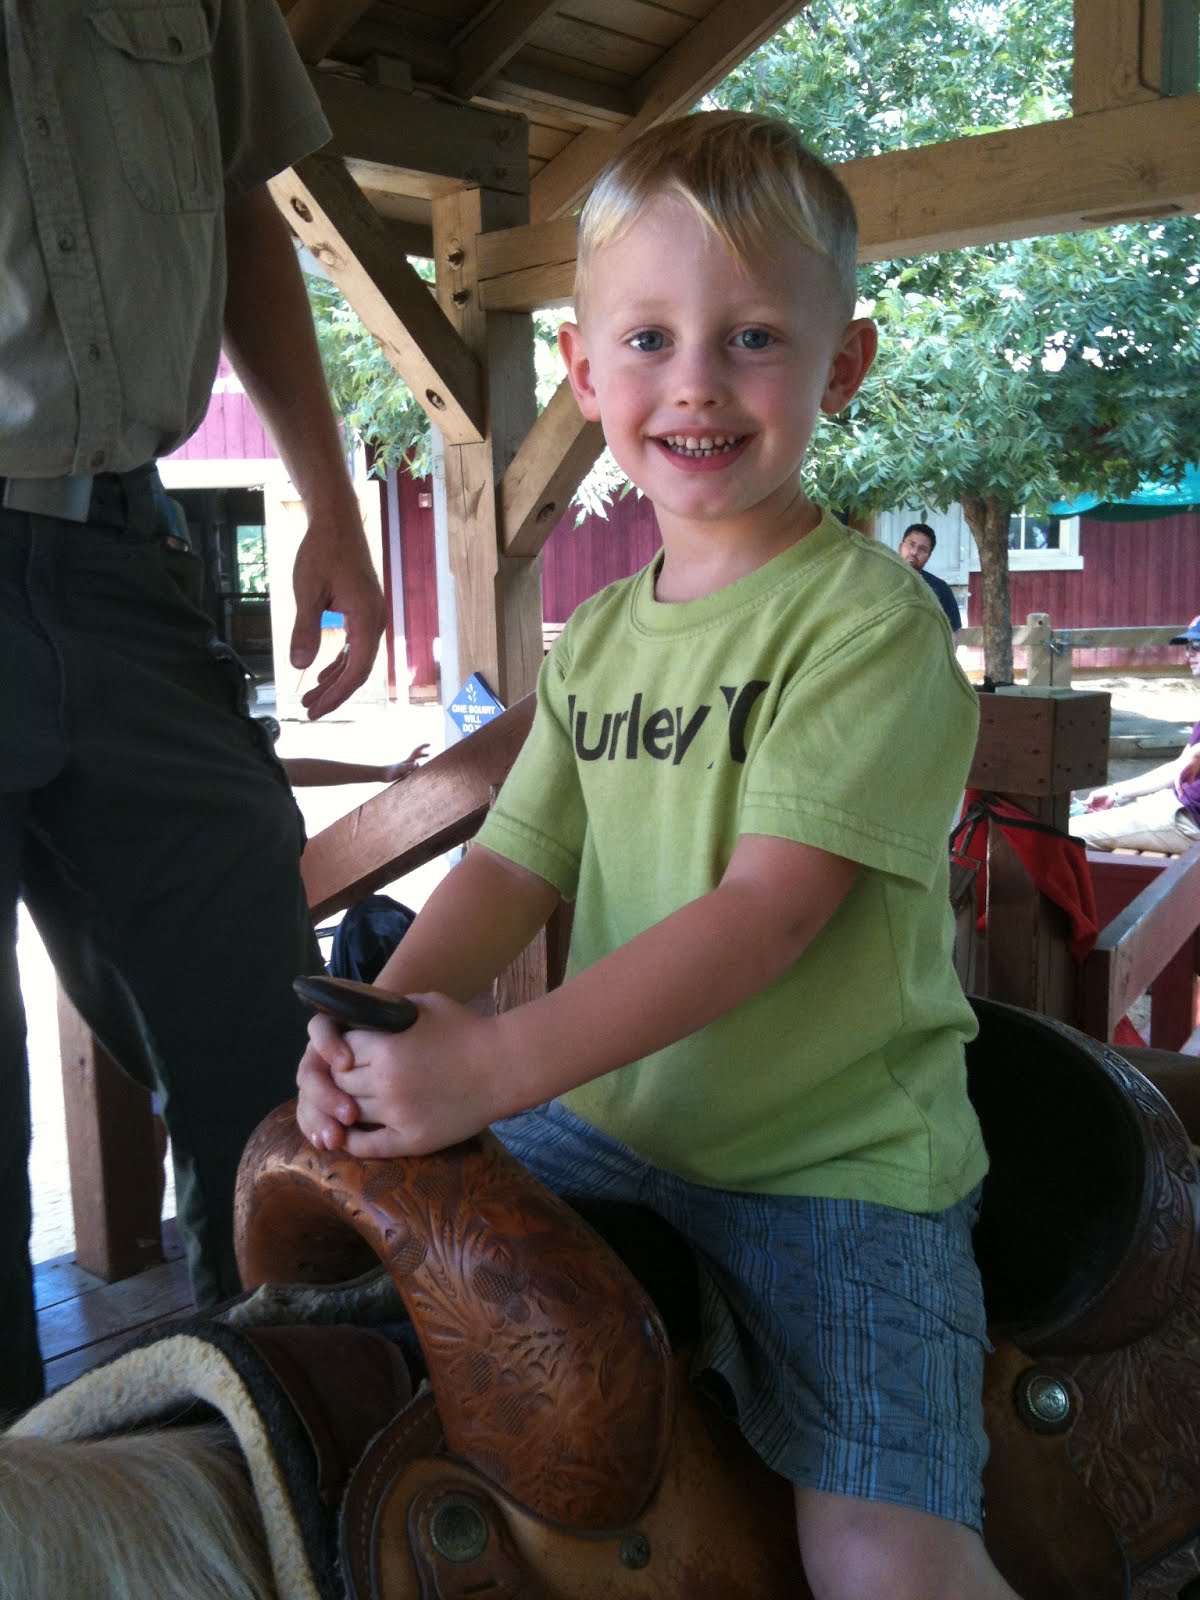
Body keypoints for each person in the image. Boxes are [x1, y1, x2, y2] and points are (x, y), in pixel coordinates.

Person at [297, 112, 1017, 1600]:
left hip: (834, 1170)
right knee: (373, 1353)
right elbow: (511, 864)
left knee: (881, 1557)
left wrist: (496, 1068)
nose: (695, 380)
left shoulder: (866, 626)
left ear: (842, 365)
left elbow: (765, 916)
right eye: (648, 338)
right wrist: (376, 1025)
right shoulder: (603, 639)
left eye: (752, 337)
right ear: (583, 370)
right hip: (614, 1130)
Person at [1, 0, 387, 1418]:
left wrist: (331, 497)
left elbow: (239, 199)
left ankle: (280, 1463)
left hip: (129, 554)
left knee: (267, 1063)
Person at [1073, 617, 1200, 853]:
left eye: (1197, 646)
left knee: (1065, 834)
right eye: (1188, 646)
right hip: (1178, 805)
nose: (1189, 654)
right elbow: (1178, 767)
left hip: (1188, 819)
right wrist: (1116, 792)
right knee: (1083, 816)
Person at [898, 522, 962, 635]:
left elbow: (952, 634)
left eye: (922, 549)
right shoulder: (881, 578)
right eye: (911, 545)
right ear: (900, 546)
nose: (914, 552)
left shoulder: (940, 589)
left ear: (929, 556)